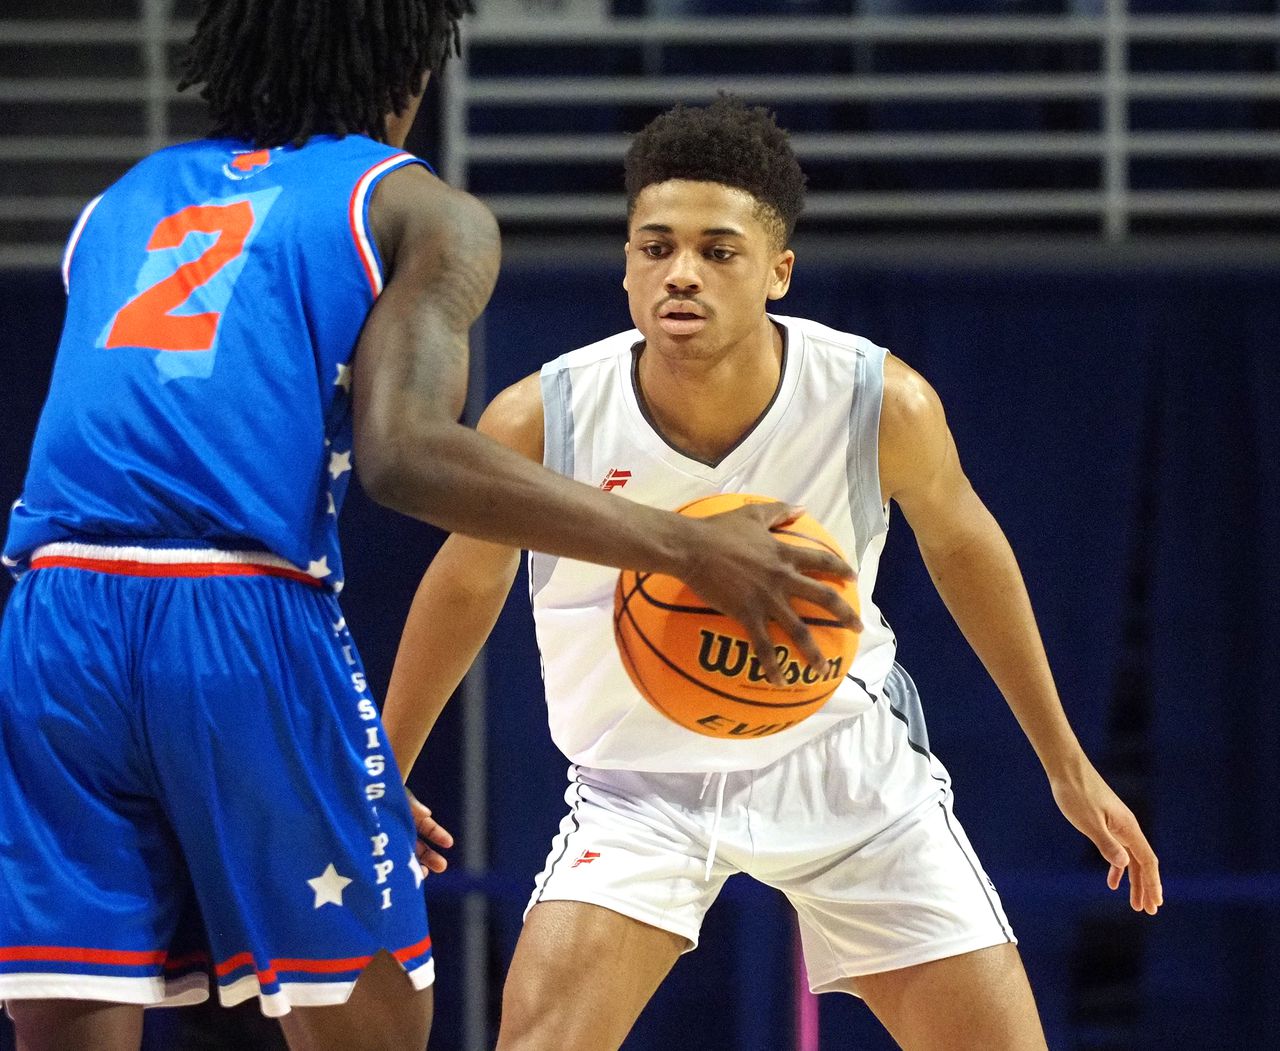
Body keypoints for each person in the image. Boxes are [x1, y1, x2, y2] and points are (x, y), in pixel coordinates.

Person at [0, 9, 858, 1050]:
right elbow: (404, 457)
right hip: (235, 603)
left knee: (71, 1000)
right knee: (375, 1013)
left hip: (51, 616)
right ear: (408, 70)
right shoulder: (413, 206)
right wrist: (680, 543)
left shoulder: (119, 202)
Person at [381, 95, 1164, 1050]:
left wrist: (1068, 765)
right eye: (655, 246)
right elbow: (468, 582)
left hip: (844, 772)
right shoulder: (541, 419)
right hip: (639, 787)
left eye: (718, 251)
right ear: (624, 263)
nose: (681, 274)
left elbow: (966, 550)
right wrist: (383, 765)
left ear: (777, 271)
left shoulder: (880, 402)